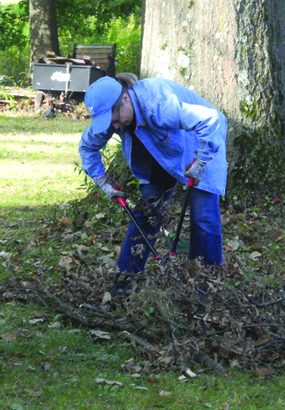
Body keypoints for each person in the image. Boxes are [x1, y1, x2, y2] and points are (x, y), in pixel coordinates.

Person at [79, 73, 228, 277]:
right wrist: (104, 184)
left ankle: (206, 281)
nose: (114, 127)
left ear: (124, 99)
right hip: (162, 148)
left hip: (203, 137)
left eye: (115, 120)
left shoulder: (158, 103)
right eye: (109, 123)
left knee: (203, 216)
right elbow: (88, 148)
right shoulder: (113, 117)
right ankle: (127, 277)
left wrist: (202, 161)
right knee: (148, 211)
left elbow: (209, 119)